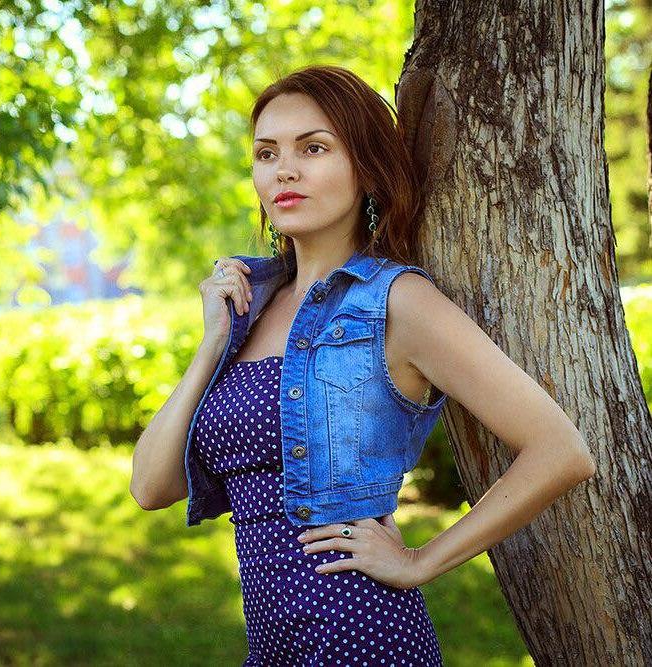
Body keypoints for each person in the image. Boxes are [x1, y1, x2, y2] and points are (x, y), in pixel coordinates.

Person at [130, 65, 596, 666]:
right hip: (272, 646)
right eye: (267, 153)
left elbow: (561, 450)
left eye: (314, 148)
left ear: (365, 167)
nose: (284, 170)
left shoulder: (396, 301)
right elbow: (152, 487)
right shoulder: (252, 306)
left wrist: (419, 561)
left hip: (362, 637)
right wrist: (212, 344)